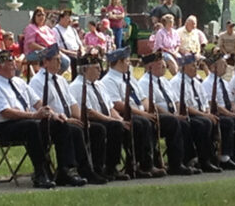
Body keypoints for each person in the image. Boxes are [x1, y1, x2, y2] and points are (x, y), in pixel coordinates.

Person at [0, 50, 86, 188]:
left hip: (25, 122)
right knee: (32, 126)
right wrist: (34, 115)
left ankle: (65, 170)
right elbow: (5, 112)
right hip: (5, 127)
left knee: (60, 124)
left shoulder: (19, 82)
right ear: (0, 67)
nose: (14, 65)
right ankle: (40, 173)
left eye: (13, 61)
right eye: (10, 62)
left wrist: (55, 115)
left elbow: (38, 103)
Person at [29, 44, 107, 184]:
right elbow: (42, 107)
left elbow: (72, 103)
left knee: (96, 129)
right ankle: (70, 170)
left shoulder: (61, 80)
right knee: (74, 130)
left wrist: (80, 118)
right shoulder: (37, 82)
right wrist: (66, 120)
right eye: (56, 60)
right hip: (50, 123)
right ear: (46, 62)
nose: (60, 63)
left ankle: (97, 168)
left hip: (67, 120)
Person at [100, 46, 167, 178]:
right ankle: (141, 164)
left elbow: (143, 98)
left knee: (166, 121)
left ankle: (164, 161)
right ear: (119, 62)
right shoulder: (108, 80)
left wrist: (148, 110)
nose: (129, 63)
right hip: (127, 115)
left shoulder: (129, 78)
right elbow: (118, 104)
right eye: (127, 61)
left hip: (141, 113)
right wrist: (144, 114)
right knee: (143, 123)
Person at [69, 53, 131, 181]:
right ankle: (99, 167)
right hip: (94, 120)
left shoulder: (99, 85)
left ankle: (114, 166)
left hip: (107, 119)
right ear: (85, 69)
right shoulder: (76, 86)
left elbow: (110, 107)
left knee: (122, 124)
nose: (100, 71)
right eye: (96, 68)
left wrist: (120, 119)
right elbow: (89, 112)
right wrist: (113, 120)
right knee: (106, 128)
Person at [138, 52, 200, 175]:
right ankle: (175, 164)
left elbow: (175, 100)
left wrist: (178, 112)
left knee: (185, 122)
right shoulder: (145, 82)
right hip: (158, 117)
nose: (165, 67)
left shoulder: (164, 81)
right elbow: (152, 105)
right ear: (150, 66)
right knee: (174, 122)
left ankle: (187, 160)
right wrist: (171, 115)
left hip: (172, 116)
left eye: (164, 64)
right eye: (161, 64)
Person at [170, 54, 224, 172]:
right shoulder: (177, 82)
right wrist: (205, 115)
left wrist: (207, 112)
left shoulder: (196, 82)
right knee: (203, 123)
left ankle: (211, 158)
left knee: (210, 121)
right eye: (193, 66)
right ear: (184, 67)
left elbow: (204, 101)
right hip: (189, 114)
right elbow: (183, 105)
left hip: (200, 113)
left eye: (196, 65)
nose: (196, 68)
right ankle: (202, 159)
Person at [201, 53, 235, 168]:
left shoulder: (224, 83)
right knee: (228, 122)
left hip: (228, 112)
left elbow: (231, 102)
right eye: (223, 65)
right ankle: (224, 157)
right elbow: (214, 104)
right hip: (218, 114)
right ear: (213, 67)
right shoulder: (208, 83)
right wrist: (231, 115)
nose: (226, 67)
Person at [23, 6, 69, 74]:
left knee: (66, 61)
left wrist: (54, 51)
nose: (41, 17)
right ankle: (46, 77)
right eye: (39, 15)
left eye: (43, 15)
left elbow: (53, 42)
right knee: (53, 59)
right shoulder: (31, 27)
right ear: (34, 17)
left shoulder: (47, 29)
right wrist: (45, 49)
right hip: (34, 53)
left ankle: (53, 76)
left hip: (50, 51)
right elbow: (31, 45)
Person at [54, 9, 84, 81]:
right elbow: (58, 48)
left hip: (77, 52)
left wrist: (82, 51)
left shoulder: (72, 30)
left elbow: (80, 43)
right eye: (67, 18)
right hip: (66, 53)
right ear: (61, 18)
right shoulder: (55, 30)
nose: (70, 20)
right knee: (75, 60)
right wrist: (72, 53)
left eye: (70, 18)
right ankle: (75, 81)